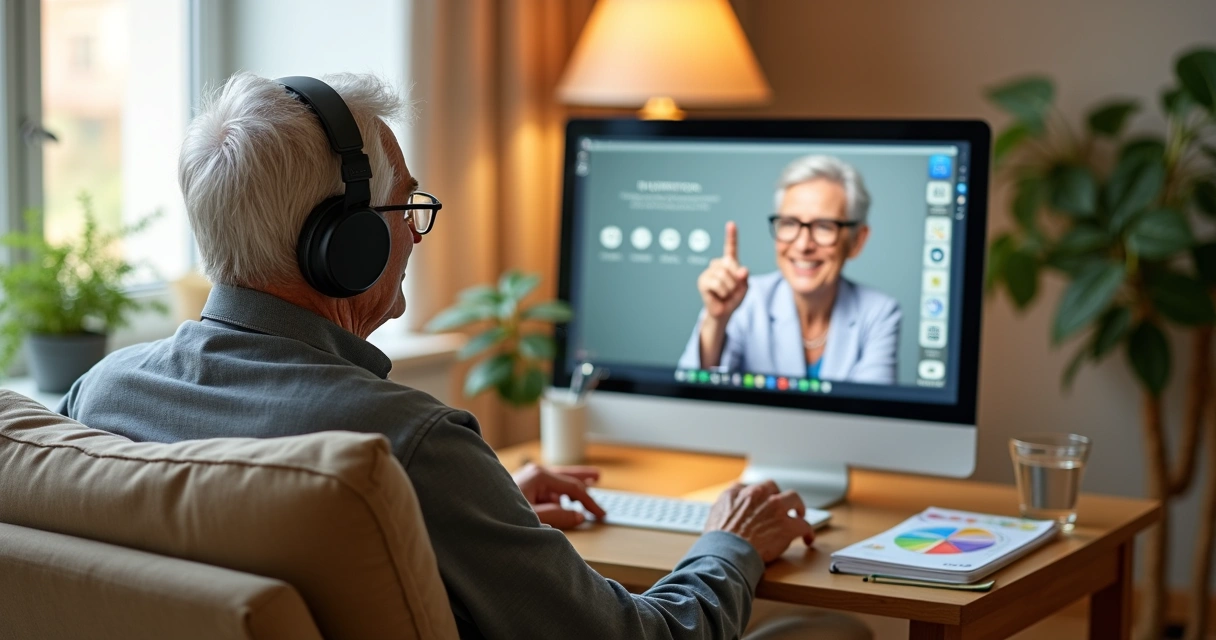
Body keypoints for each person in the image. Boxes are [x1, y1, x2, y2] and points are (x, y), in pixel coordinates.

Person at [55, 72, 870, 640]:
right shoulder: (405, 442)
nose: (414, 229)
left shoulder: (98, 395)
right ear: (346, 245)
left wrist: (448, 513)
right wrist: (729, 541)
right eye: (404, 204)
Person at [677, 155, 901, 384]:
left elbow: (870, 412)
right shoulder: (741, 298)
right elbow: (692, 396)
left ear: (857, 241)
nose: (803, 245)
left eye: (824, 227)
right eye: (790, 224)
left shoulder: (879, 313)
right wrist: (716, 321)